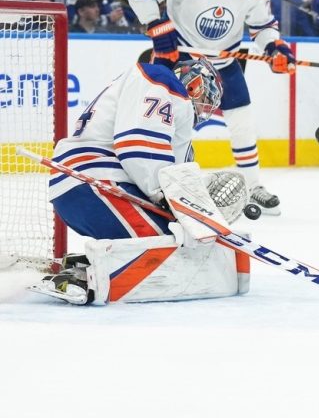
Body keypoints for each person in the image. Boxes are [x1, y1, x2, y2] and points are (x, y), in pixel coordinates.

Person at [35, 57, 252, 305]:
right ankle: (85, 276)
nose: (206, 109)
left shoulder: (165, 101)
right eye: (207, 98)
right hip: (96, 183)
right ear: (195, 85)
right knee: (176, 243)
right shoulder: (164, 81)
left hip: (84, 187)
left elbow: (166, 167)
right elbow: (139, 147)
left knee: (179, 234)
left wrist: (186, 205)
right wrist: (169, 199)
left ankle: (85, 265)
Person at [127, 0, 295, 216]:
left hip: (223, 64)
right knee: (168, 123)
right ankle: (160, 184)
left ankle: (253, 186)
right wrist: (158, 26)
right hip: (179, 58)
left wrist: (274, 49)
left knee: (242, 121)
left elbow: (262, 27)